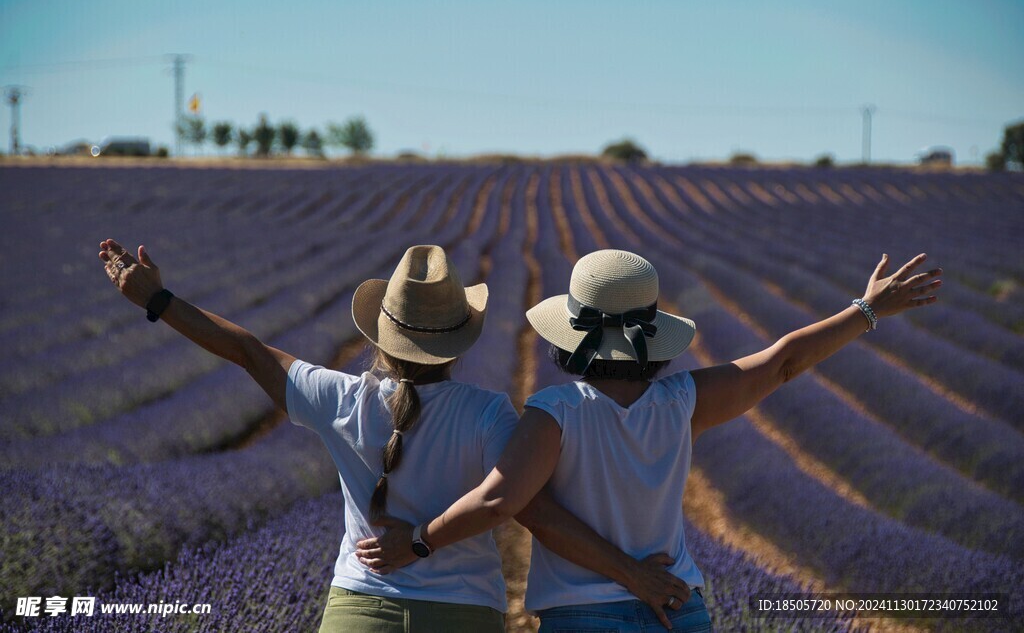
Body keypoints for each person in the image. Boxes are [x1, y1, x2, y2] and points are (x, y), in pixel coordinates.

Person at [97, 240, 693, 632]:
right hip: (464, 614)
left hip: (361, 609)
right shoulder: (490, 413)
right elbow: (518, 502)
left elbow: (248, 352)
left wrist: (157, 299)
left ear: (380, 334)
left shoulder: (340, 398)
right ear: (460, 336)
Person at [355, 249, 942, 632]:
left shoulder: (554, 412)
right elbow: (783, 361)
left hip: (583, 615)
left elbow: (501, 502)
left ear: (568, 333)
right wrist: (867, 309)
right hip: (678, 608)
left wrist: (421, 543)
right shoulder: (682, 401)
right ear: (653, 334)